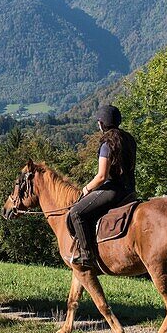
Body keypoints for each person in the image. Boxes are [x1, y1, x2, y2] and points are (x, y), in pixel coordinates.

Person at [65, 104, 137, 269]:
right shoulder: (129, 139)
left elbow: (101, 177)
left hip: (113, 191)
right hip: (129, 190)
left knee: (76, 213)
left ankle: (86, 255)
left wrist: (85, 189)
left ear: (102, 123)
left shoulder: (107, 144)